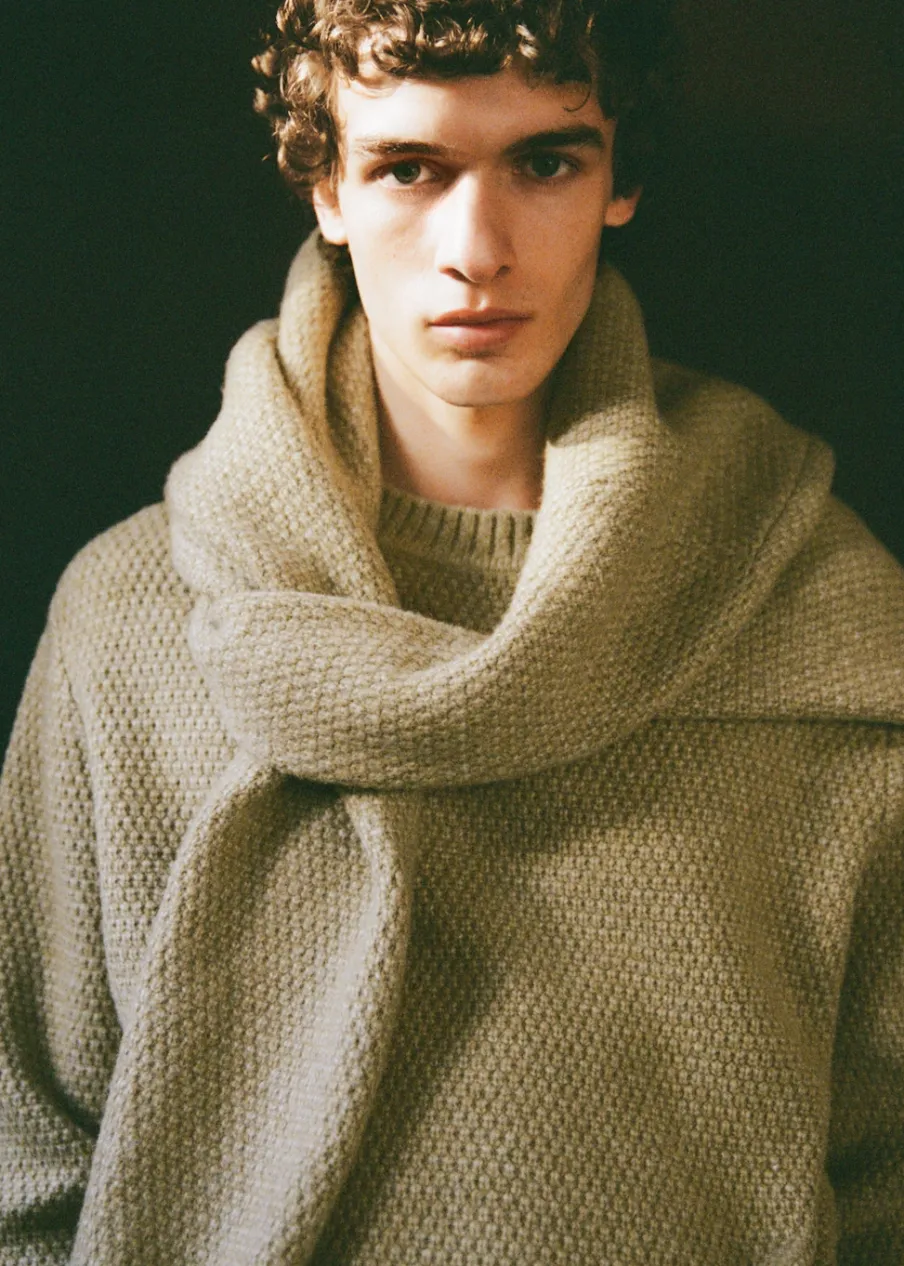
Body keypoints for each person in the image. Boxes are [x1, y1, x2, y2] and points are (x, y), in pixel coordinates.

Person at [2, 0, 903, 1261]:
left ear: (620, 182)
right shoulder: (134, 621)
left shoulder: (817, 612)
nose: (476, 249)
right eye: (409, 169)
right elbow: (26, 1160)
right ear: (325, 188)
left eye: (545, 162)